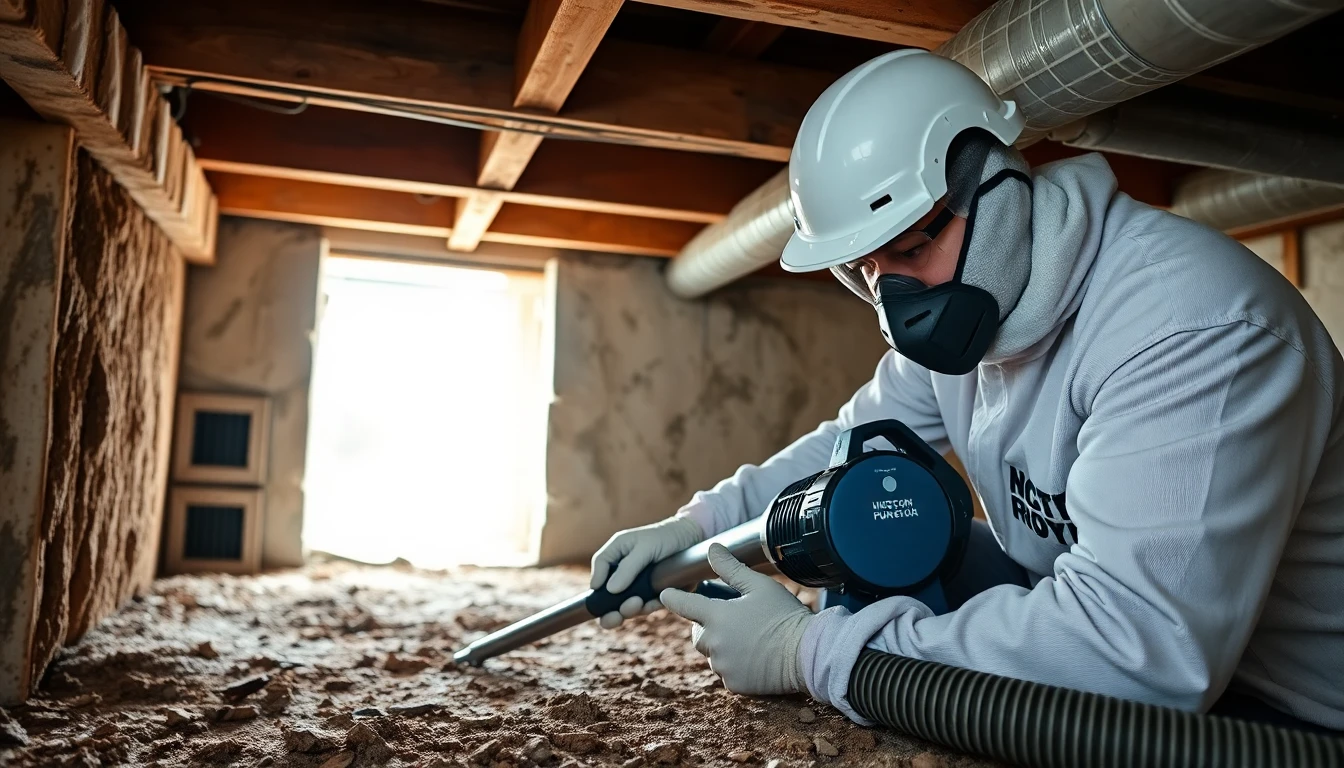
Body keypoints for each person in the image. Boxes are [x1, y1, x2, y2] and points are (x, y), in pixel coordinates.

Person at [588, 49, 1344, 733]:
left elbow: (1139, 657)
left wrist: (811, 652)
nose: (896, 299)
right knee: (879, 526)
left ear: (1000, 189)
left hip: (1289, 714)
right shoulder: (975, 320)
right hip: (1168, 652)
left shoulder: (1188, 328)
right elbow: (847, 451)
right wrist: (698, 527)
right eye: (867, 270)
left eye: (913, 246)